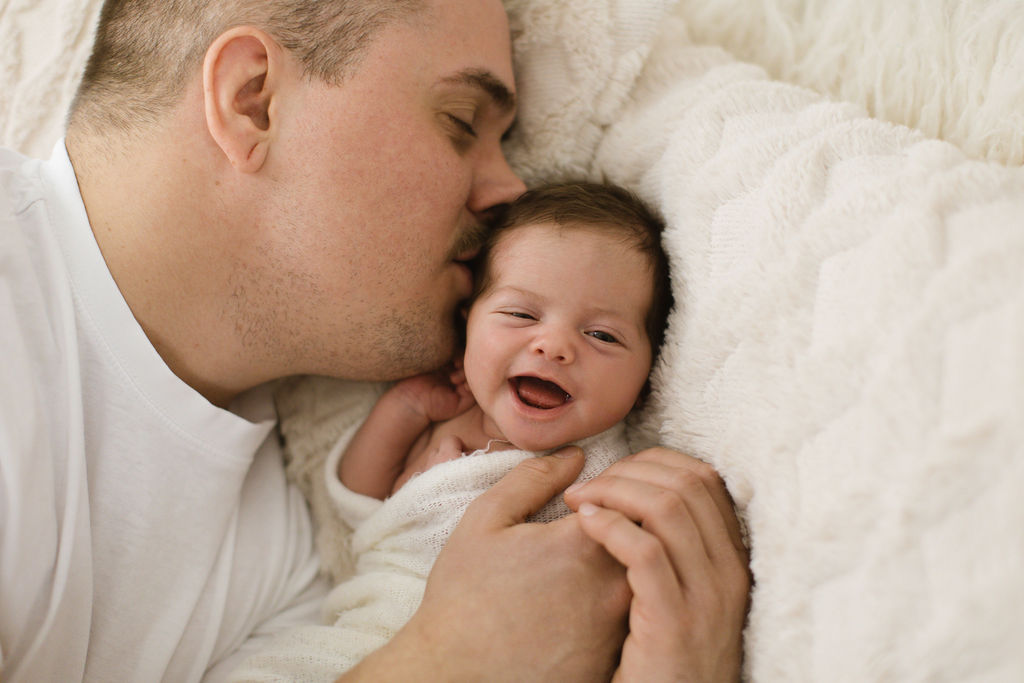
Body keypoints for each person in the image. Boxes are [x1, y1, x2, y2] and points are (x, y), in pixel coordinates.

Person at [0, 0, 750, 681]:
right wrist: (447, 659)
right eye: (461, 122)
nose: (510, 190)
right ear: (253, 99)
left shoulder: (305, 552)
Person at [231, 181, 679, 679]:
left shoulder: (616, 476)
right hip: (371, 632)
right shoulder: (444, 415)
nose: (554, 346)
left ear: (646, 380)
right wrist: (405, 408)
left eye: (602, 335)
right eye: (520, 314)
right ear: (468, 327)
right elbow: (358, 501)